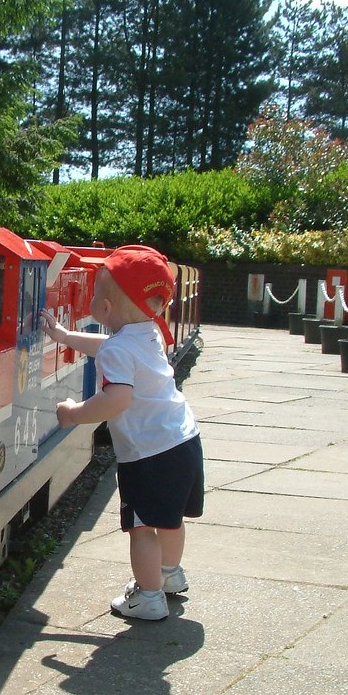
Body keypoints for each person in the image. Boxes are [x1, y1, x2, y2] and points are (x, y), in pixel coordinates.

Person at [40, 245, 203, 621]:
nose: (93, 298)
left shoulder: (120, 350)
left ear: (106, 309)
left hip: (149, 454)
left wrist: (73, 414)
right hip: (183, 439)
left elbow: (116, 400)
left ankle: (148, 597)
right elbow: (111, 346)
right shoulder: (149, 333)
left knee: (142, 527)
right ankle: (169, 575)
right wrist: (66, 336)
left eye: (95, 293)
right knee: (171, 519)